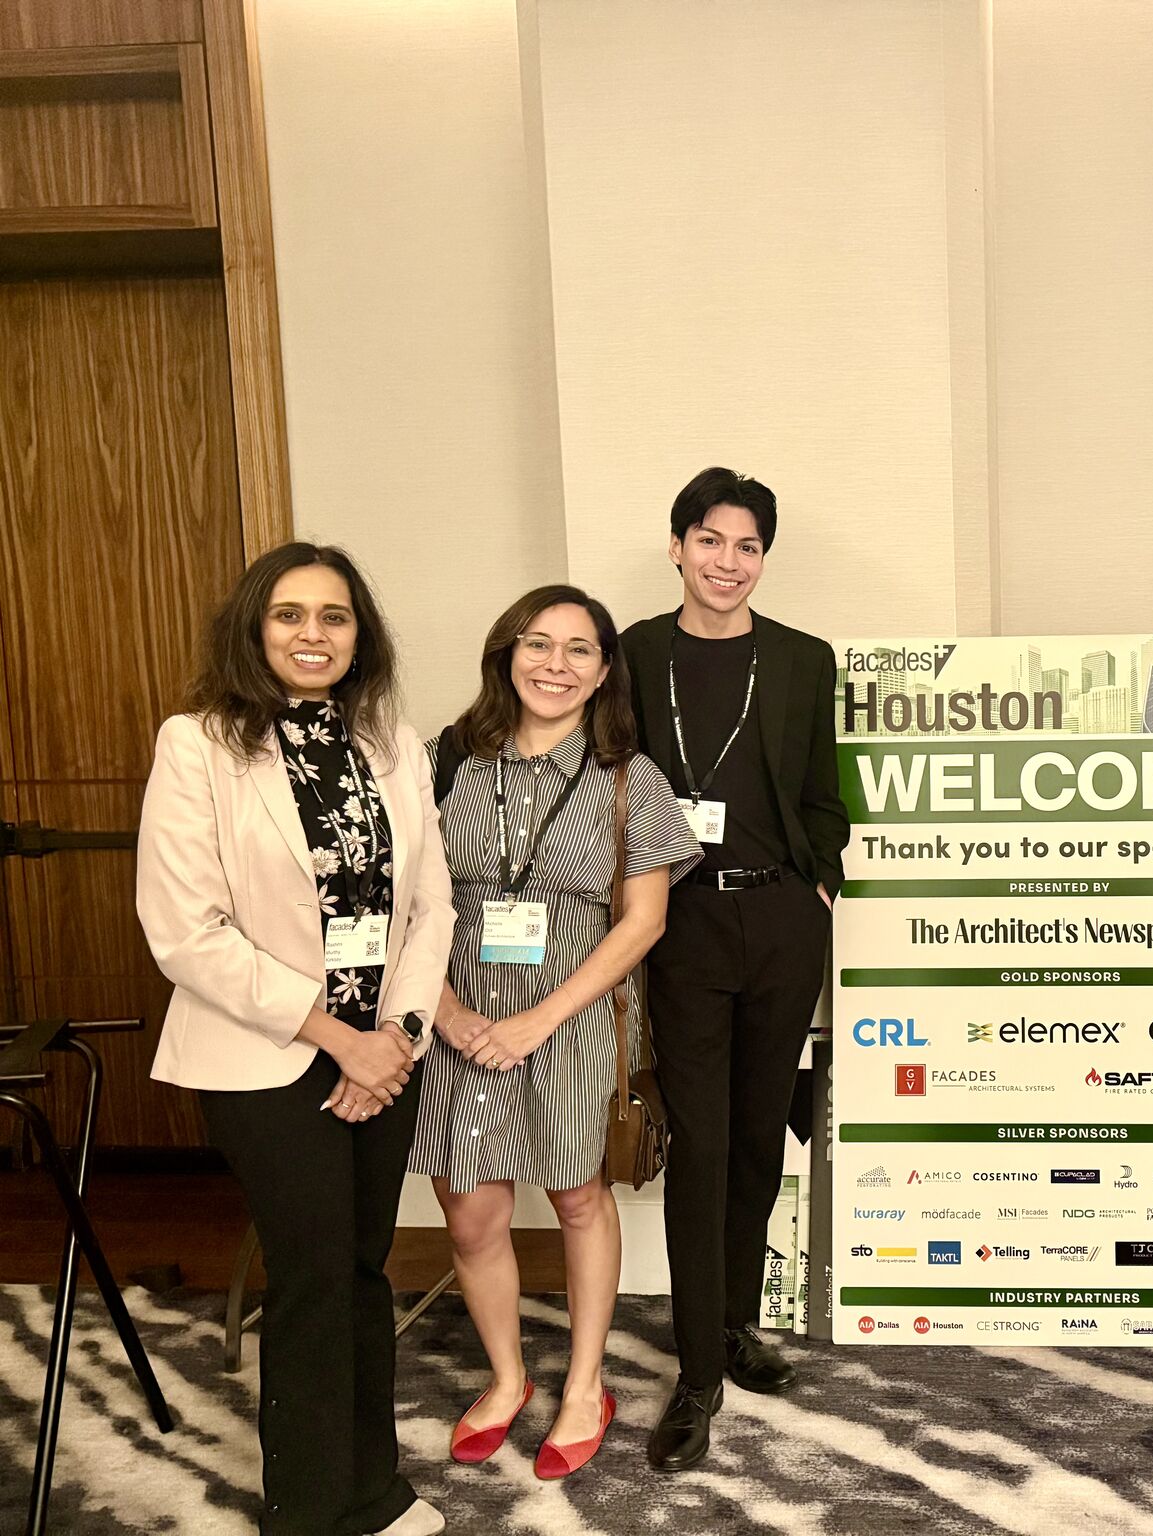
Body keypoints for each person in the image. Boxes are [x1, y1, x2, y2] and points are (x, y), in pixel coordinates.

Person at [135, 544, 454, 1536]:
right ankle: (308, 1512)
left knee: (363, 1268)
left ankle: (373, 1489)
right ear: (254, 627)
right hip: (265, 1054)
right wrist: (335, 1037)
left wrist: (395, 1034)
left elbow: (430, 907)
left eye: (333, 616)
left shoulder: (393, 744)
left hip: (384, 1052)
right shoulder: (197, 745)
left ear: (360, 637)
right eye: (289, 614)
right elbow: (185, 931)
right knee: (314, 1273)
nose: (312, 634)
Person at [409, 586, 700, 1479]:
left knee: (578, 1196)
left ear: (604, 671)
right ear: (507, 653)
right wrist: (447, 1011)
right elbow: (403, 900)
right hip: (457, 1014)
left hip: (572, 1018)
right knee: (470, 1210)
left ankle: (583, 1386)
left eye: (580, 650)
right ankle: (507, 1379)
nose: (555, 665)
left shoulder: (631, 780)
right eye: (538, 644)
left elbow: (644, 922)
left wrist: (536, 1021)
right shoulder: (444, 763)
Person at [618, 467, 850, 1471]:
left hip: (782, 918)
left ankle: (736, 1324)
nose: (728, 561)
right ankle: (696, 1372)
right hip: (680, 923)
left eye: (747, 546)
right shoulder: (632, 653)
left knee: (759, 1135)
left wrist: (820, 885)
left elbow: (824, 791)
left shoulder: (802, 659)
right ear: (677, 546)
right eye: (709, 540)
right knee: (701, 1143)